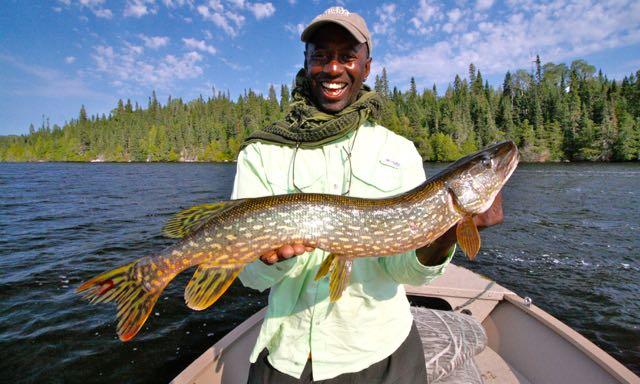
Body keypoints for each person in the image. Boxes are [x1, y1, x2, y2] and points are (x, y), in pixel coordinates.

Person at [230, 7, 504, 383]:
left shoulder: (399, 152)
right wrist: (269, 260)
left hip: (383, 351)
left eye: (347, 56)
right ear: (307, 63)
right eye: (321, 56)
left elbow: (404, 270)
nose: (333, 68)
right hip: (289, 355)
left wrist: (448, 232)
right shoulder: (263, 152)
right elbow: (251, 278)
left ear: (366, 66)